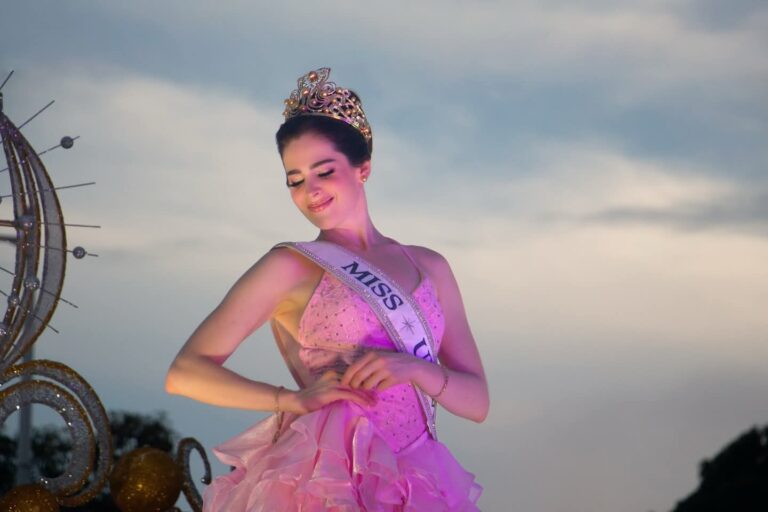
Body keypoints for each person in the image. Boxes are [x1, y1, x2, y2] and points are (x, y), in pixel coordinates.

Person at [165, 67, 489, 511]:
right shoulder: (289, 266)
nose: (310, 191)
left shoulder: (430, 266)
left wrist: (414, 369)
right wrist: (291, 400)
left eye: (324, 171)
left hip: (418, 477)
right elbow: (185, 372)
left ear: (364, 168)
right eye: (295, 180)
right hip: (326, 479)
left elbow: (477, 402)